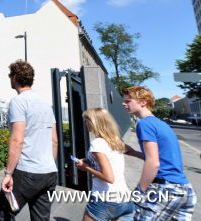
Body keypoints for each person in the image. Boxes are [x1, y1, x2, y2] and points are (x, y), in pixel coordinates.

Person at [0, 60, 58, 221]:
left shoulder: (18, 101)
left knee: (4, 212)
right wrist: (48, 164)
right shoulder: (45, 104)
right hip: (49, 172)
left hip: (27, 172)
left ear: (15, 77)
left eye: (10, 75)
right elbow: (54, 141)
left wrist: (8, 174)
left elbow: (17, 140)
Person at [122, 86, 197, 220]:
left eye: (128, 101)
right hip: (184, 190)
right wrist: (133, 152)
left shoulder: (144, 124)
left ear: (143, 102)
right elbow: (161, 158)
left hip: (165, 189)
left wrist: (139, 191)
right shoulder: (160, 124)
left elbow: (154, 163)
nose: (124, 103)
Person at [75, 108, 134, 221]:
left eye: (87, 119)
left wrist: (86, 167)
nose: (85, 123)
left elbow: (109, 178)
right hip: (125, 200)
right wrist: (89, 161)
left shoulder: (97, 143)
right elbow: (127, 153)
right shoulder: (115, 140)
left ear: (94, 122)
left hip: (105, 200)